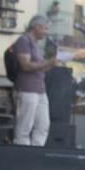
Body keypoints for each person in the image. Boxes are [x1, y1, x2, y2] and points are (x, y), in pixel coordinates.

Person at [12, 15, 57, 146]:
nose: (46, 32)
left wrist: (51, 64)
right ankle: (22, 155)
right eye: (45, 28)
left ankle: (36, 153)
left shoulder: (36, 45)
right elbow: (25, 65)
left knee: (43, 126)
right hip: (27, 89)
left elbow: (39, 69)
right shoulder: (24, 40)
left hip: (40, 90)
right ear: (36, 26)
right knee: (25, 126)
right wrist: (48, 61)